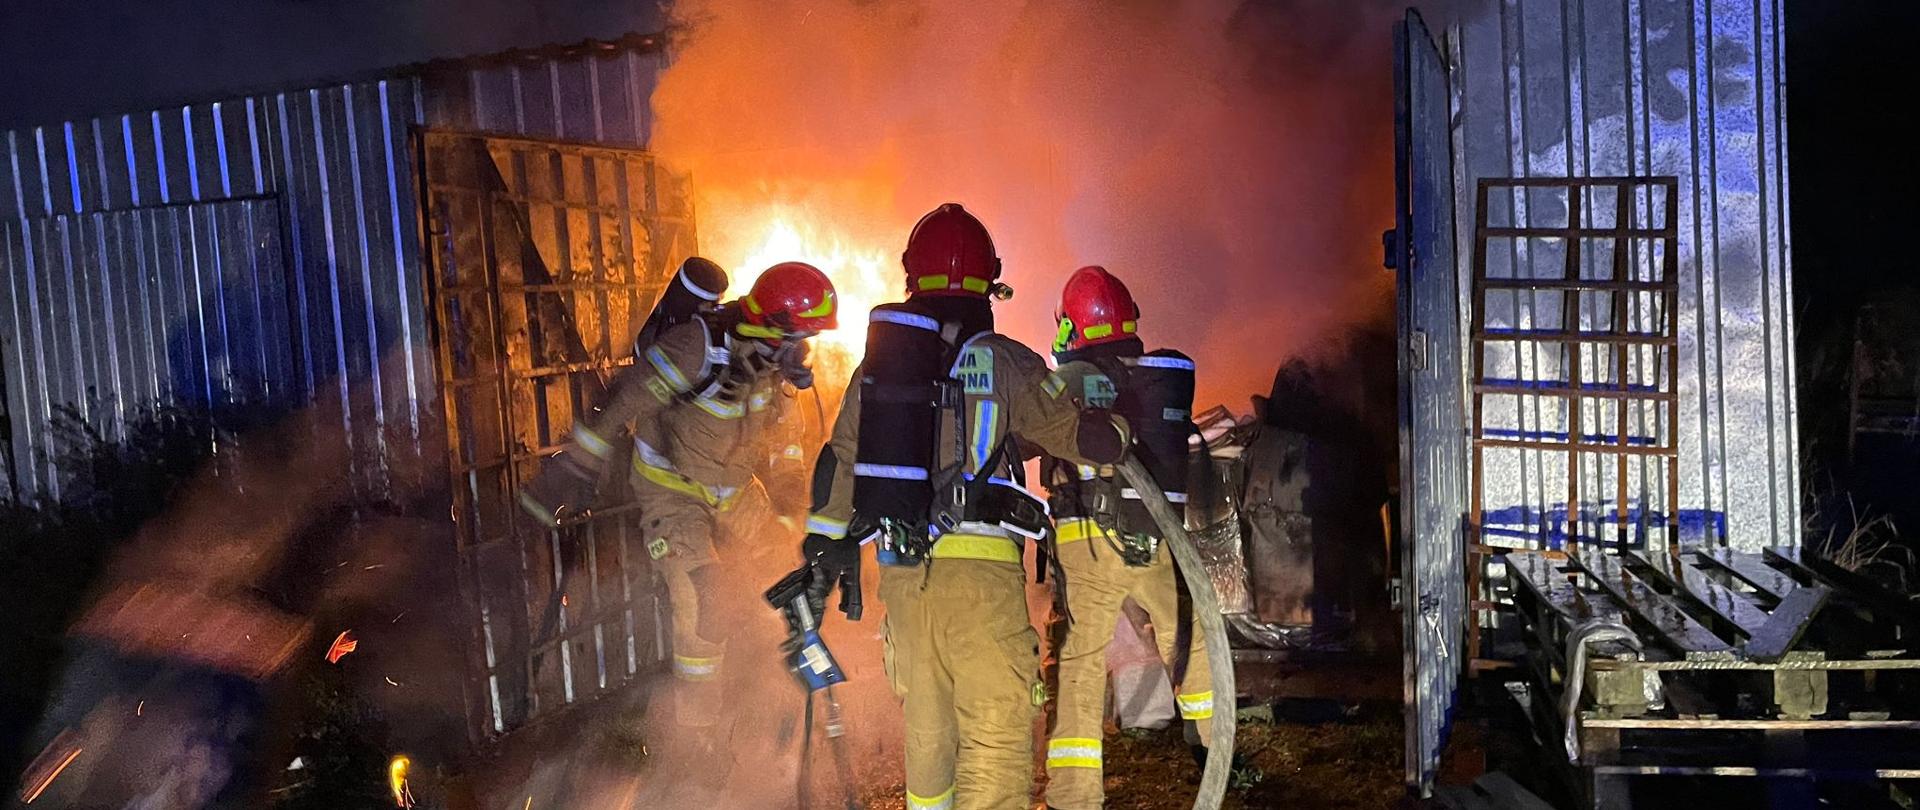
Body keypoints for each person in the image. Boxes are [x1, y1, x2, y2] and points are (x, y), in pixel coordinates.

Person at [801, 204, 1129, 810]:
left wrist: (822, 551)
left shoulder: (877, 367)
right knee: (996, 743)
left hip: (902, 576)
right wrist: (1119, 433)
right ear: (989, 280)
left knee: (929, 738)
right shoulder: (1004, 359)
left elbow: (840, 462)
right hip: (977, 574)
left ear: (911, 275)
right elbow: (1071, 431)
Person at [518, 259, 836, 752]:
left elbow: (785, 449)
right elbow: (622, 405)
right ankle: (695, 735)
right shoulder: (695, 348)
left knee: (793, 567)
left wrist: (792, 507)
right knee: (701, 597)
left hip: (733, 491)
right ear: (774, 326)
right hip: (672, 490)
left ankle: (769, 699)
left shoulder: (773, 371)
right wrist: (570, 472)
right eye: (802, 334)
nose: (806, 348)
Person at [1040, 265, 1214, 810]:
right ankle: (1218, 752)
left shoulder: (1064, 382)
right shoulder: (1154, 378)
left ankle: (1073, 796)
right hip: (1154, 539)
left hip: (1087, 543)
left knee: (1081, 662)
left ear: (1073, 326)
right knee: (1190, 642)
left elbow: (1023, 431)